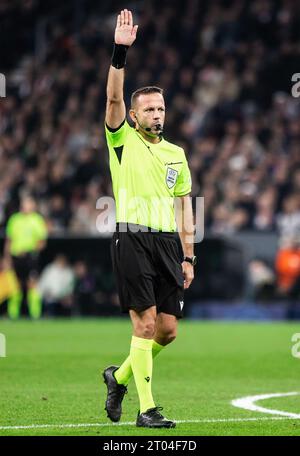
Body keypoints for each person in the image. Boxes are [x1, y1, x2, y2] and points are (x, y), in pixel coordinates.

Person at [102, 9, 196, 429]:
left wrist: (188, 256)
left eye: (161, 108)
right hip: (133, 239)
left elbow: (184, 206)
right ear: (135, 116)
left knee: (168, 330)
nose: (157, 114)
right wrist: (120, 53)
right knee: (143, 325)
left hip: (168, 245)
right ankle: (146, 410)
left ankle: (118, 376)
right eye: (149, 110)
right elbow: (113, 99)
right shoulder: (122, 140)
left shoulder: (177, 153)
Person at [4, 195, 48, 319]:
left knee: (32, 285)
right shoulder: (14, 220)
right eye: (24, 203)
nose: (26, 206)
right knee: (15, 287)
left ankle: (35, 314)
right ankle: (13, 315)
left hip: (30, 257)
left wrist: (31, 250)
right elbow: (9, 240)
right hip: (15, 257)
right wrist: (7, 258)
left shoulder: (37, 220)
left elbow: (42, 242)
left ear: (33, 206)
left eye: (29, 203)